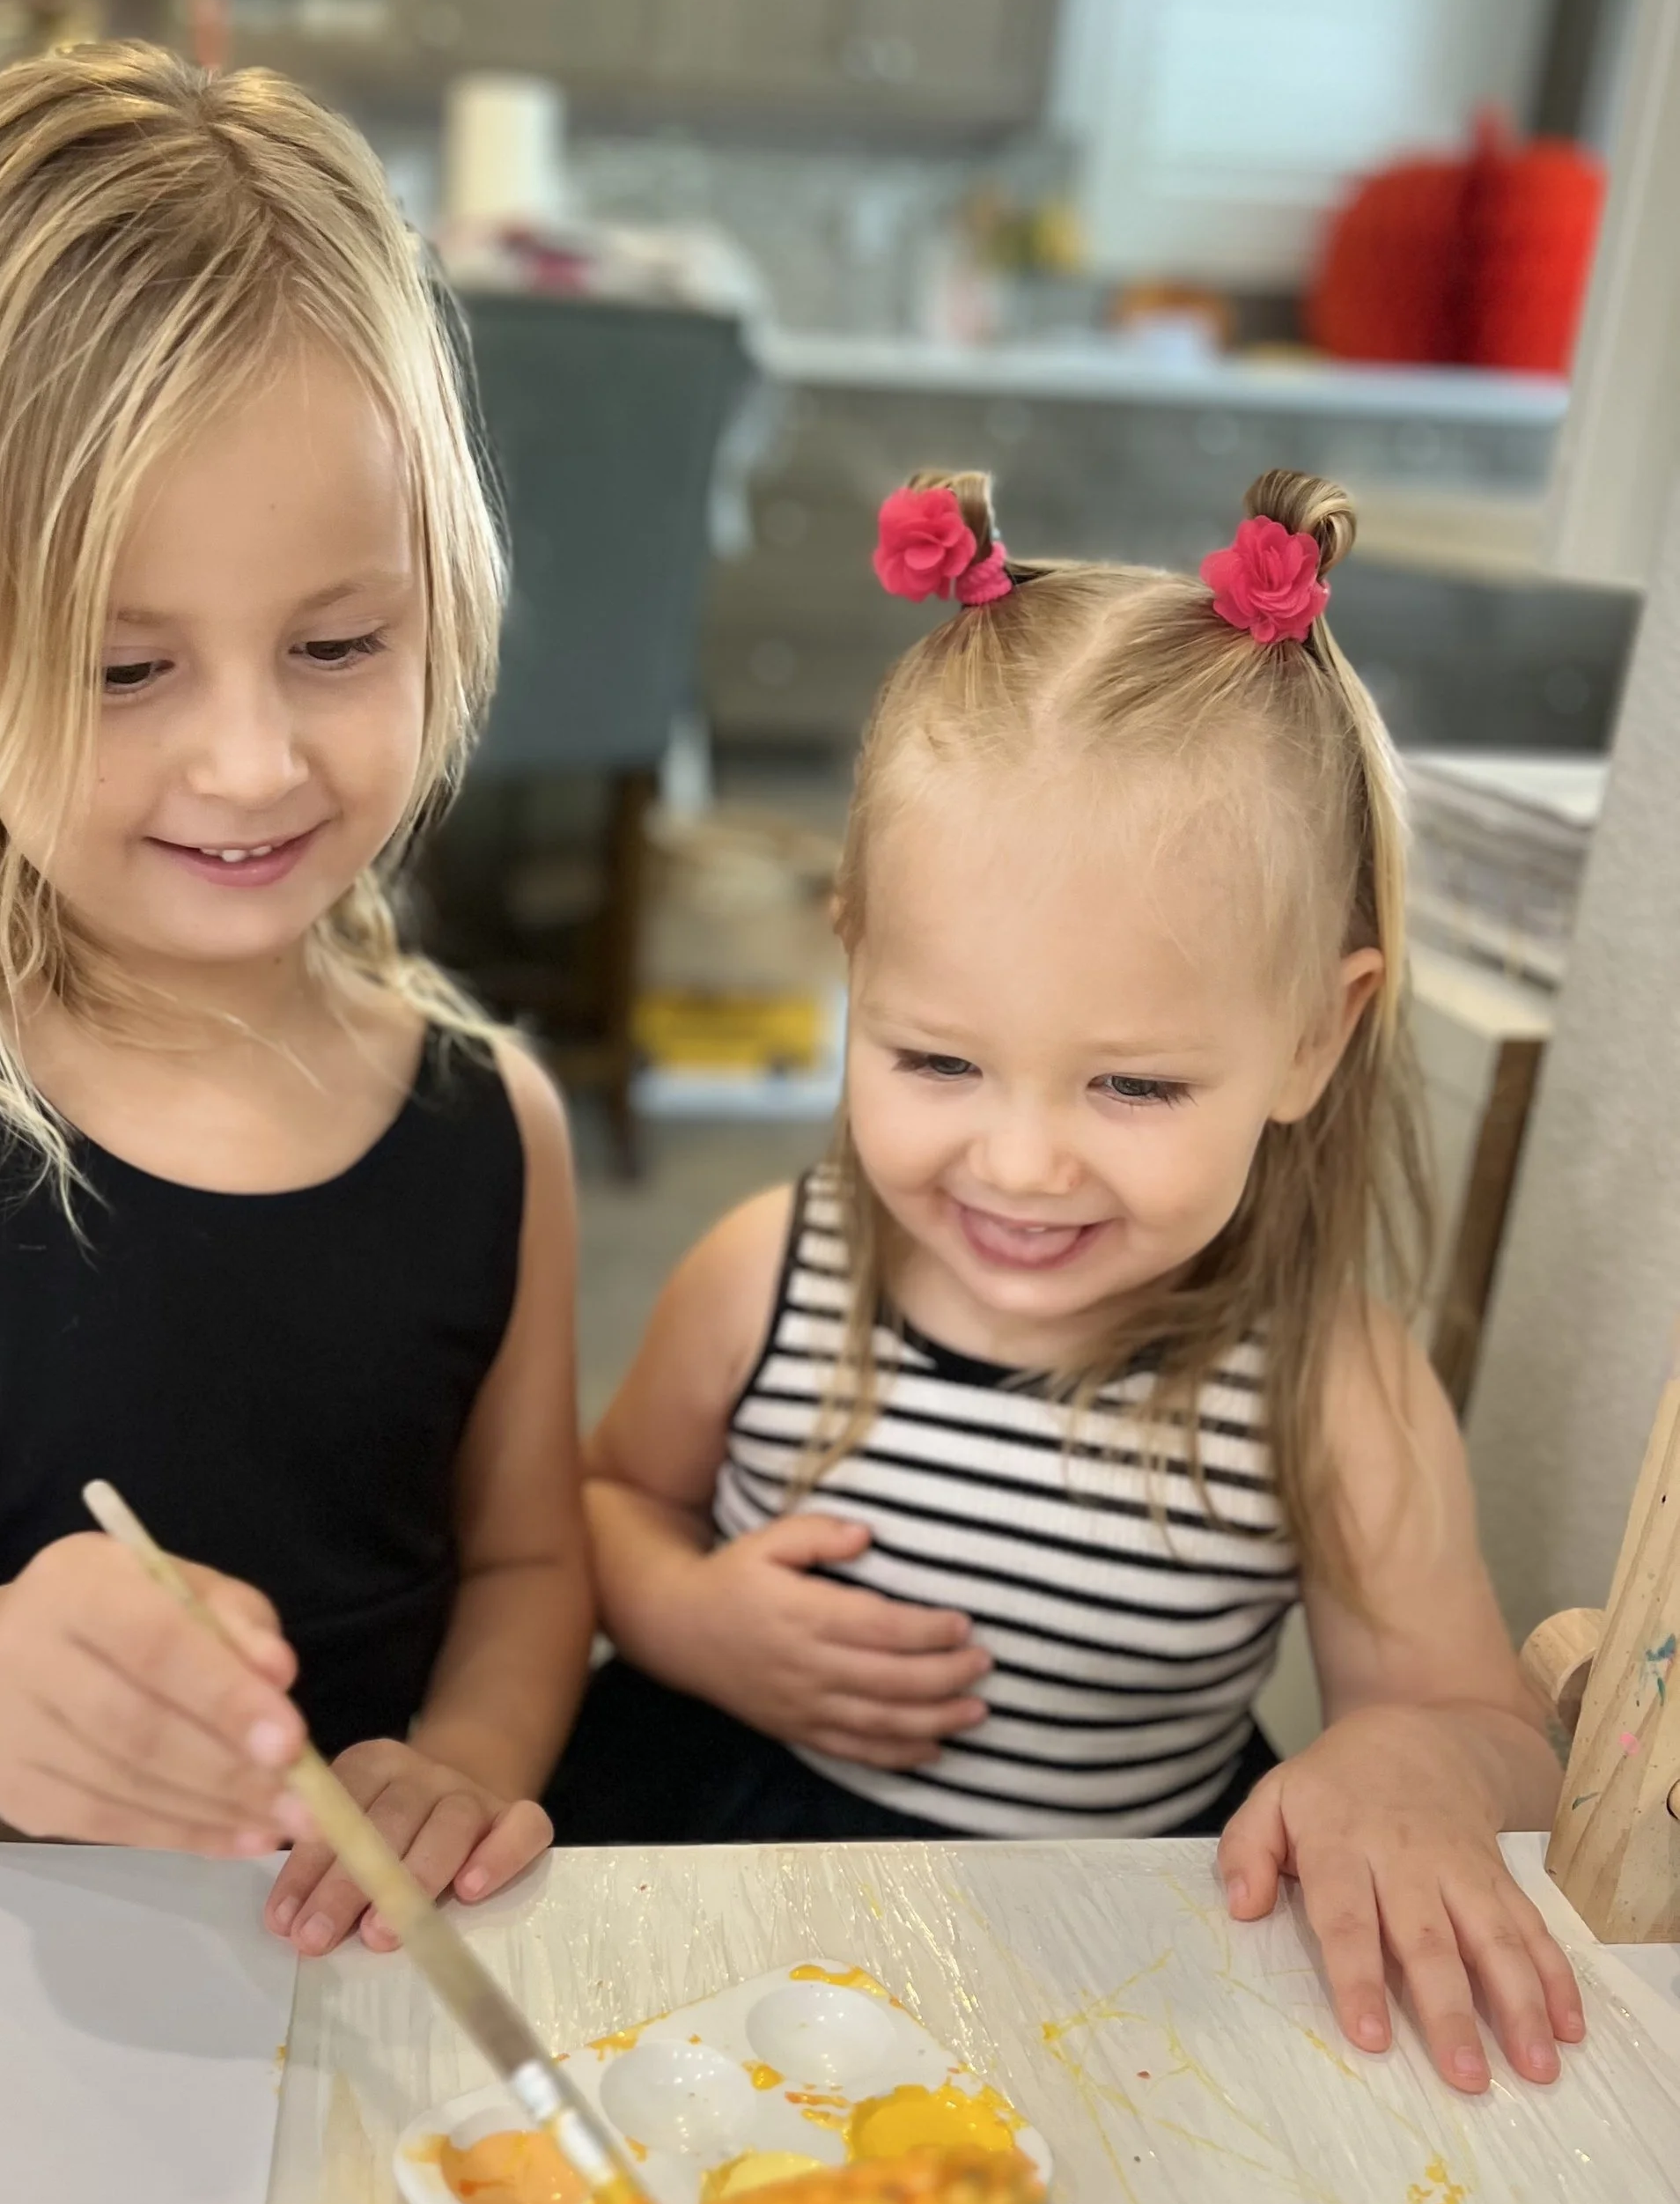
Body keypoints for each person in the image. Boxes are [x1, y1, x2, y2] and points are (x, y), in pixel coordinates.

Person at [0, 44, 592, 1954]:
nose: (255, 761)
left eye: (339, 644)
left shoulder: (489, 1119)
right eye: (123, 669)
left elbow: (527, 1558)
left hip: (352, 1983)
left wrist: (464, 1748)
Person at [559, 468, 1582, 2094]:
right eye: (940, 1058)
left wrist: (1411, 1759)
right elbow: (593, 1509)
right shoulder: (769, 1274)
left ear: (1316, 1033)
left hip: (1083, 1983)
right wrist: (684, 1617)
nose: (1022, 1165)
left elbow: (1491, 1732)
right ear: (854, 968)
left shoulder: (1329, 1382)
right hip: (702, 1905)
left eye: (1134, 1089)